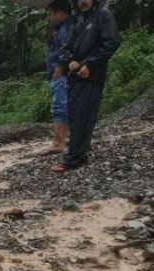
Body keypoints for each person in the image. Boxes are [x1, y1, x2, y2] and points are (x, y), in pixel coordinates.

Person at [51, 0, 120, 173]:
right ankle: (78, 154)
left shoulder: (103, 16)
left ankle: (74, 159)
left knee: (83, 116)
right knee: (75, 115)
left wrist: (89, 65)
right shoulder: (77, 19)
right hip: (74, 76)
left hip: (92, 76)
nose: (83, 1)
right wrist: (70, 61)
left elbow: (111, 42)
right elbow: (66, 47)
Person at [45, 0, 73, 153]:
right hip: (58, 71)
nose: (50, 17)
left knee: (60, 106)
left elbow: (66, 49)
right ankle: (62, 139)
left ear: (59, 13)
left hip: (60, 73)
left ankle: (58, 142)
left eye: (51, 13)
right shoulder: (61, 28)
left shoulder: (66, 29)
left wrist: (60, 67)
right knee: (63, 105)